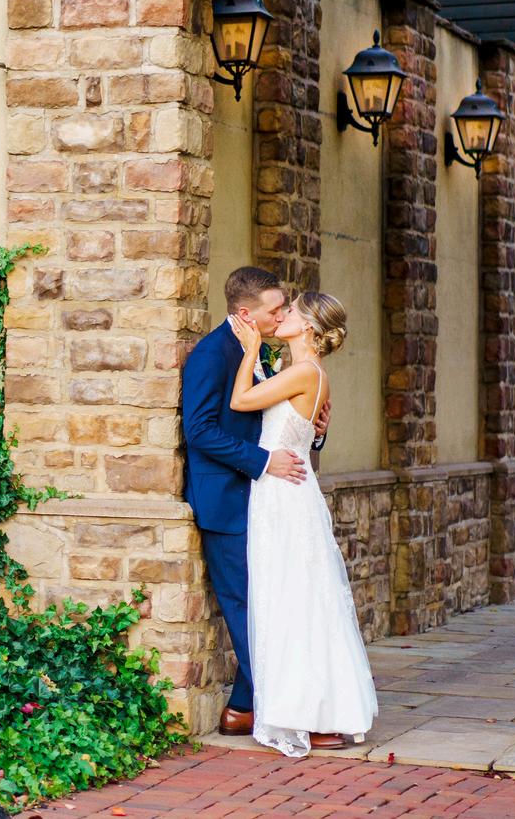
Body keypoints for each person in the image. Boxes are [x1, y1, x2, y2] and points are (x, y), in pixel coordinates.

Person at [227, 291, 379, 756]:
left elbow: (241, 400)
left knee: (294, 598)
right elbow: (295, 427)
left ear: (308, 326)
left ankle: (313, 714)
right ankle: (314, 712)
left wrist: (250, 349)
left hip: (284, 496)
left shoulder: (305, 372)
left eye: (291, 310)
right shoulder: (303, 372)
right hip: (285, 491)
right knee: (297, 596)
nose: (283, 315)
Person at [180, 267, 328, 738]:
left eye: (284, 308)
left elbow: (280, 420)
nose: (282, 315)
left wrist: (314, 434)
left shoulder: (261, 350)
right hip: (227, 500)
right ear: (246, 313)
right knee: (246, 606)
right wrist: (263, 462)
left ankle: (243, 707)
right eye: (275, 309)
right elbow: (200, 431)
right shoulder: (212, 354)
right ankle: (280, 708)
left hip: (268, 500)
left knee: (271, 602)